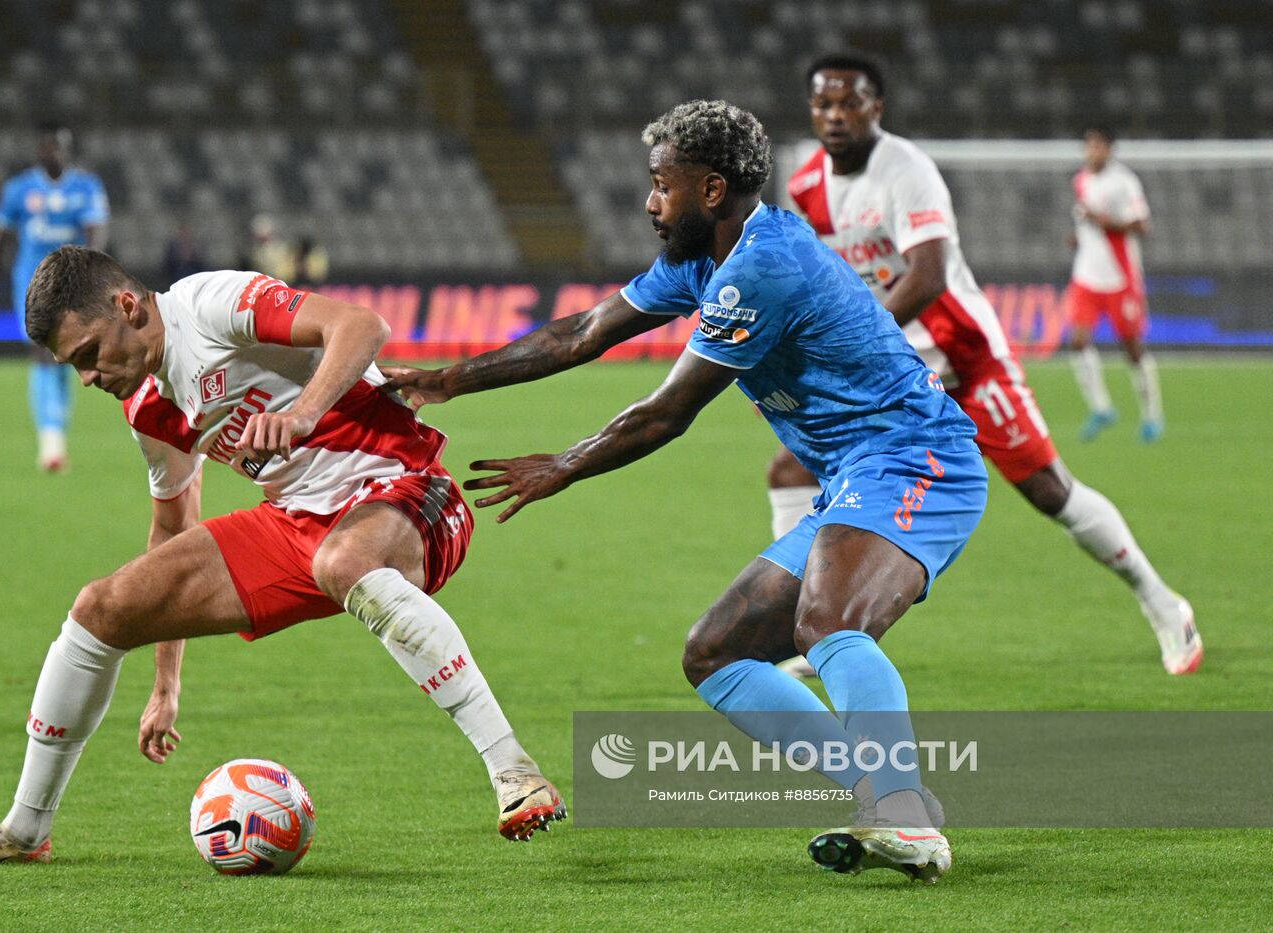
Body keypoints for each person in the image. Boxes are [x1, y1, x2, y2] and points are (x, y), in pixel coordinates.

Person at [387, 100, 987, 883]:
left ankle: (904, 814)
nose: (649, 203)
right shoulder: (699, 260)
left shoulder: (762, 265)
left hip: (917, 458)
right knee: (717, 653)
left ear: (710, 190)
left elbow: (668, 412)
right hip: (856, 473)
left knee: (829, 619)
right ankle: (886, 793)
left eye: (660, 185)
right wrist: (449, 379)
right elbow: (581, 332)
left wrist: (563, 464)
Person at [0, 247, 563, 870]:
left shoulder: (212, 304)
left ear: (129, 306)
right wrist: (166, 684)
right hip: (295, 524)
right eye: (73, 366)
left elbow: (363, 325)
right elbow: (173, 529)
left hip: (404, 485)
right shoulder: (147, 406)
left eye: (88, 354)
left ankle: (515, 770)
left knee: (342, 561)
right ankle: (26, 827)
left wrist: (306, 412)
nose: (87, 378)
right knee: (99, 609)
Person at [769, 55, 1199, 680]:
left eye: (850, 103)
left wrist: (852, 345)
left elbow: (928, 274)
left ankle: (1164, 603)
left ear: (876, 108)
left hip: (964, 359)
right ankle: (810, 626)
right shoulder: (808, 184)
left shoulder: (907, 172)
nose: (835, 116)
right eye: (823, 104)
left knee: (1050, 491)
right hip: (893, 373)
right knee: (791, 469)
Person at [0, 123, 110, 472]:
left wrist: (94, 278)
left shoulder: (85, 187)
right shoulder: (19, 189)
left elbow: (98, 235)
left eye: (60, 146)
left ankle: (56, 435)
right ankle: (51, 444)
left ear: (68, 150)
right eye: (48, 146)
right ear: (39, 150)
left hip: (71, 285)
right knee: (41, 354)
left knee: (65, 358)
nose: (54, 152)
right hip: (31, 284)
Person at [1065, 127, 1163, 442]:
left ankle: (1152, 416)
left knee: (1132, 349)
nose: (1091, 152)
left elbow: (1142, 224)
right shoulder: (1081, 179)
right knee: (1078, 341)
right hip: (1087, 276)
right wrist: (1078, 238)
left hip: (1120, 279)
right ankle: (1102, 408)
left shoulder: (1124, 182)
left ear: (1109, 149)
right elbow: (1085, 222)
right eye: (1088, 146)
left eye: (1097, 146)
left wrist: (1107, 224)